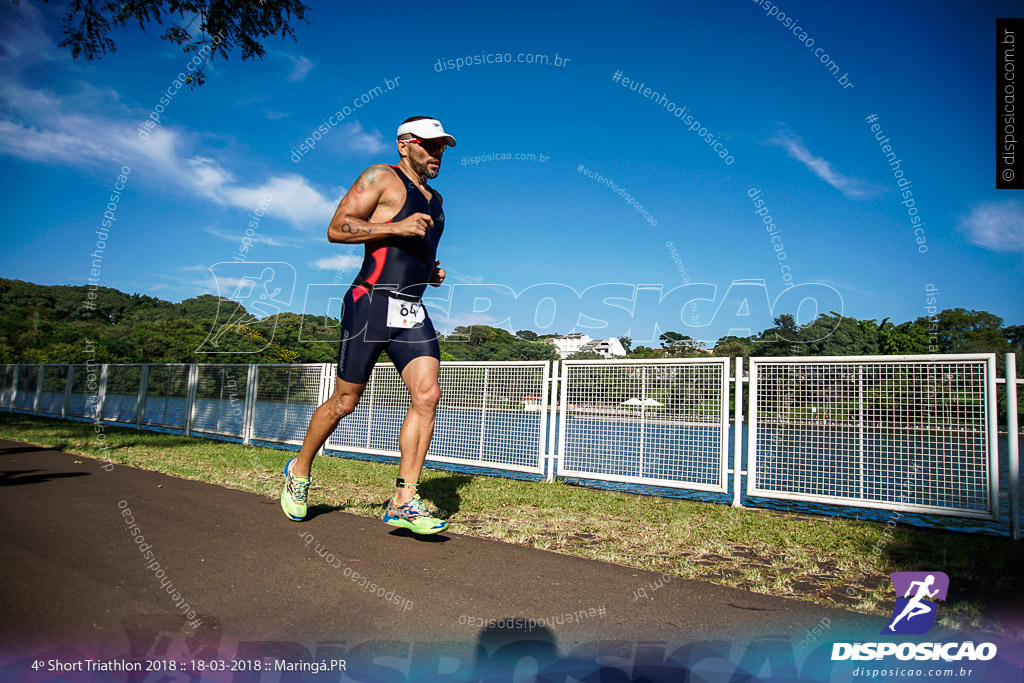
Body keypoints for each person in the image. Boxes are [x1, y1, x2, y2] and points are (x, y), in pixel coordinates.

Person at [281, 116, 456, 534]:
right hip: (369, 303)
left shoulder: (437, 200)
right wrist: (395, 225)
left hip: (411, 308)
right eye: (429, 146)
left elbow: (411, 249)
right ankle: (299, 471)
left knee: (427, 394)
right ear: (405, 145)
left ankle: (403, 500)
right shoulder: (381, 176)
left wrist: (429, 271)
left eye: (442, 147)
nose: (437, 154)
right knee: (345, 402)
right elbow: (336, 228)